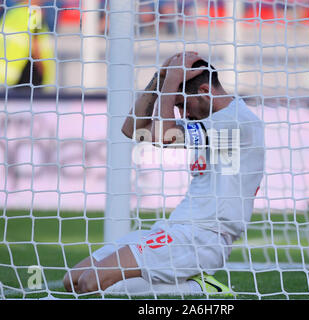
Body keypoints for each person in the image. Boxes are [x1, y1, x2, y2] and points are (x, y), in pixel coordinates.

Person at [63, 52, 265, 295]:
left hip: (203, 238)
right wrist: (160, 77)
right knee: (73, 281)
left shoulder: (237, 121)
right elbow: (133, 130)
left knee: (91, 282)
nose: (182, 115)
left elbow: (162, 135)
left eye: (181, 105)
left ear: (204, 91)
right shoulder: (211, 121)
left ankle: (198, 289)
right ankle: (195, 287)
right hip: (175, 230)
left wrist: (172, 81)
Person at [0, 0, 56, 89]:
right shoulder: (34, 13)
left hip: (9, 76)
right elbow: (35, 43)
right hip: (28, 75)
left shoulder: (12, 12)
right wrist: (43, 69)